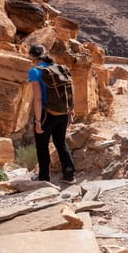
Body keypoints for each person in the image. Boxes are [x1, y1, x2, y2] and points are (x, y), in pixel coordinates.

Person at [28, 44, 76, 184]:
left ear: (31, 56)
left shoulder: (35, 71)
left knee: (42, 146)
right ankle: (70, 175)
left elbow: (37, 98)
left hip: (46, 114)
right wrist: (71, 110)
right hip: (63, 112)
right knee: (60, 143)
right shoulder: (59, 68)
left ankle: (44, 178)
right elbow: (69, 91)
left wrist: (38, 121)